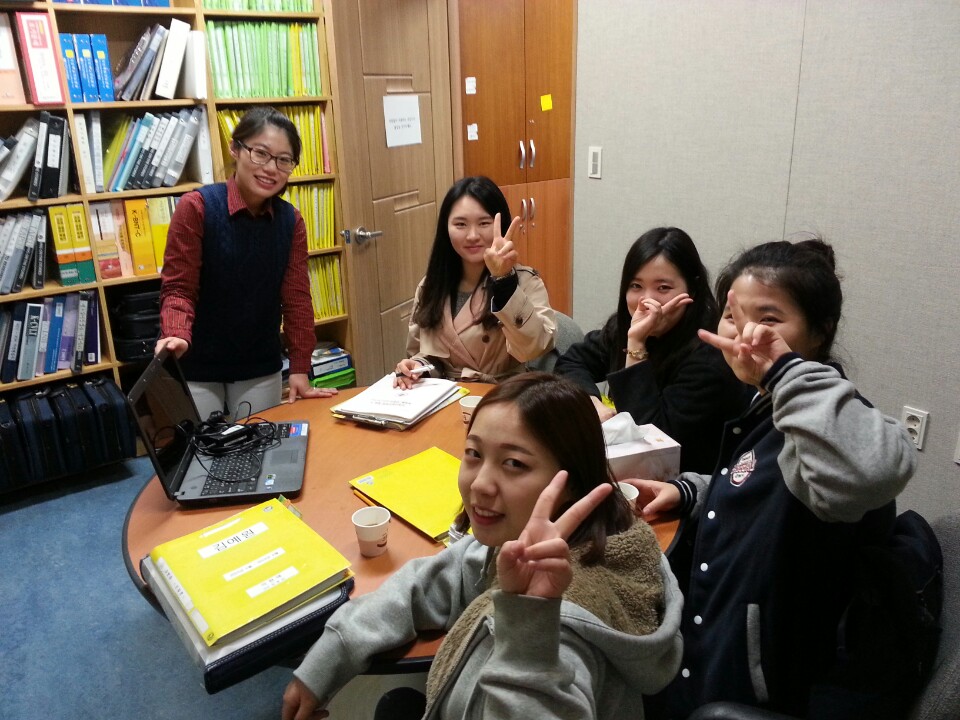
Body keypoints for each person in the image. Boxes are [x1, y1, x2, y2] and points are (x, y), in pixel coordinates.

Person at [281, 373, 683, 720]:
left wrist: (531, 622)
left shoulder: (566, 623)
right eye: (474, 454)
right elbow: (432, 579)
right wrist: (335, 651)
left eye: (514, 464)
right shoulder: (522, 542)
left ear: (572, 484)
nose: (479, 484)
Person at [629, 238, 916, 718]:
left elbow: (876, 469)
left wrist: (783, 372)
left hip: (758, 686)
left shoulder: (827, 420)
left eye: (769, 319)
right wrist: (691, 491)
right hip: (708, 638)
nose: (747, 334)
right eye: (733, 316)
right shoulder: (762, 404)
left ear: (820, 332)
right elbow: (761, 485)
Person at [155, 107, 337, 421]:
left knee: (260, 444)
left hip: (259, 363)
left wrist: (300, 366)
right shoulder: (197, 207)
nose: (271, 168)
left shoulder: (290, 221)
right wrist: (176, 332)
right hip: (197, 361)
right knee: (203, 447)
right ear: (235, 149)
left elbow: (296, 299)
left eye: (284, 160)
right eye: (260, 153)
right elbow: (179, 287)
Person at [555, 227, 749, 473]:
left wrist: (636, 344)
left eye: (663, 288)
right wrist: (592, 403)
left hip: (688, 481)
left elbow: (651, 440)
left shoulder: (709, 354)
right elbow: (571, 361)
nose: (647, 301)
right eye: (636, 286)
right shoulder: (623, 327)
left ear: (692, 289)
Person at [393, 176, 556, 388]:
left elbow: (534, 348)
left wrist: (504, 281)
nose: (472, 235)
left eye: (484, 223)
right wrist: (417, 367)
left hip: (504, 395)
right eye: (460, 224)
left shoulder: (525, 281)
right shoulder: (430, 286)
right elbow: (422, 353)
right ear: (446, 228)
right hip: (445, 395)